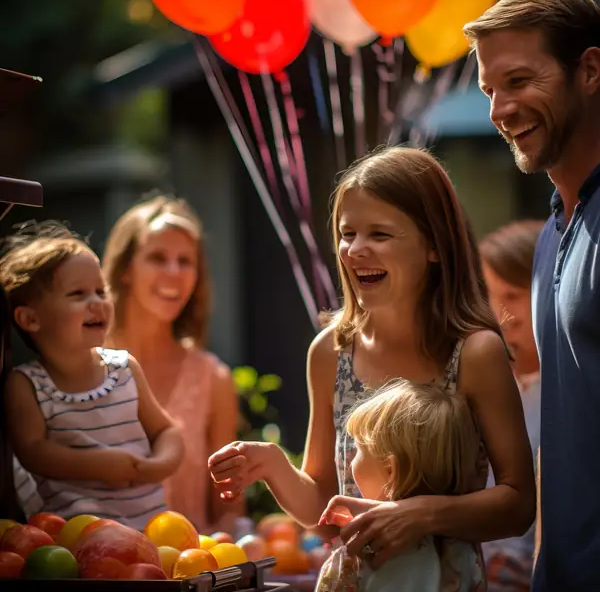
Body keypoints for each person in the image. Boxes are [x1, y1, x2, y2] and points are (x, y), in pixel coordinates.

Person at [209, 146, 535, 568]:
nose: (354, 250)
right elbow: (325, 513)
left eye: (379, 234)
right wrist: (272, 465)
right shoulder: (329, 352)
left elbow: (519, 504)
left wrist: (419, 516)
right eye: (347, 234)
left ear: (435, 245)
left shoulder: (476, 352)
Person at [463, 0, 600, 592]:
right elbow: (563, 446)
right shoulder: (552, 234)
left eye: (520, 80)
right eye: (490, 89)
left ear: (590, 70)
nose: (501, 109)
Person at [302, 379, 509, 592]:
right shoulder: (463, 551)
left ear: (390, 470)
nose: (350, 460)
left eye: (358, 450)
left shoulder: (355, 554)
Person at [0, 221, 183, 529]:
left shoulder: (124, 369)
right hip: (77, 542)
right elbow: (32, 451)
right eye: (78, 294)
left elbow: (167, 431)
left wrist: (159, 465)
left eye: (100, 291)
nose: (97, 302)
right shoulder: (26, 384)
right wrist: (100, 465)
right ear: (31, 318)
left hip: (152, 530)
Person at [103, 194, 242, 535]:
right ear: (125, 270)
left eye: (185, 261)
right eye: (157, 258)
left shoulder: (214, 380)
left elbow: (229, 511)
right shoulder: (80, 367)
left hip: (184, 578)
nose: (173, 273)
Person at [479, 220, 544, 592]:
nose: (502, 314)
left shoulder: (568, 390)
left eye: (513, 295)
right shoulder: (490, 380)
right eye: (491, 294)